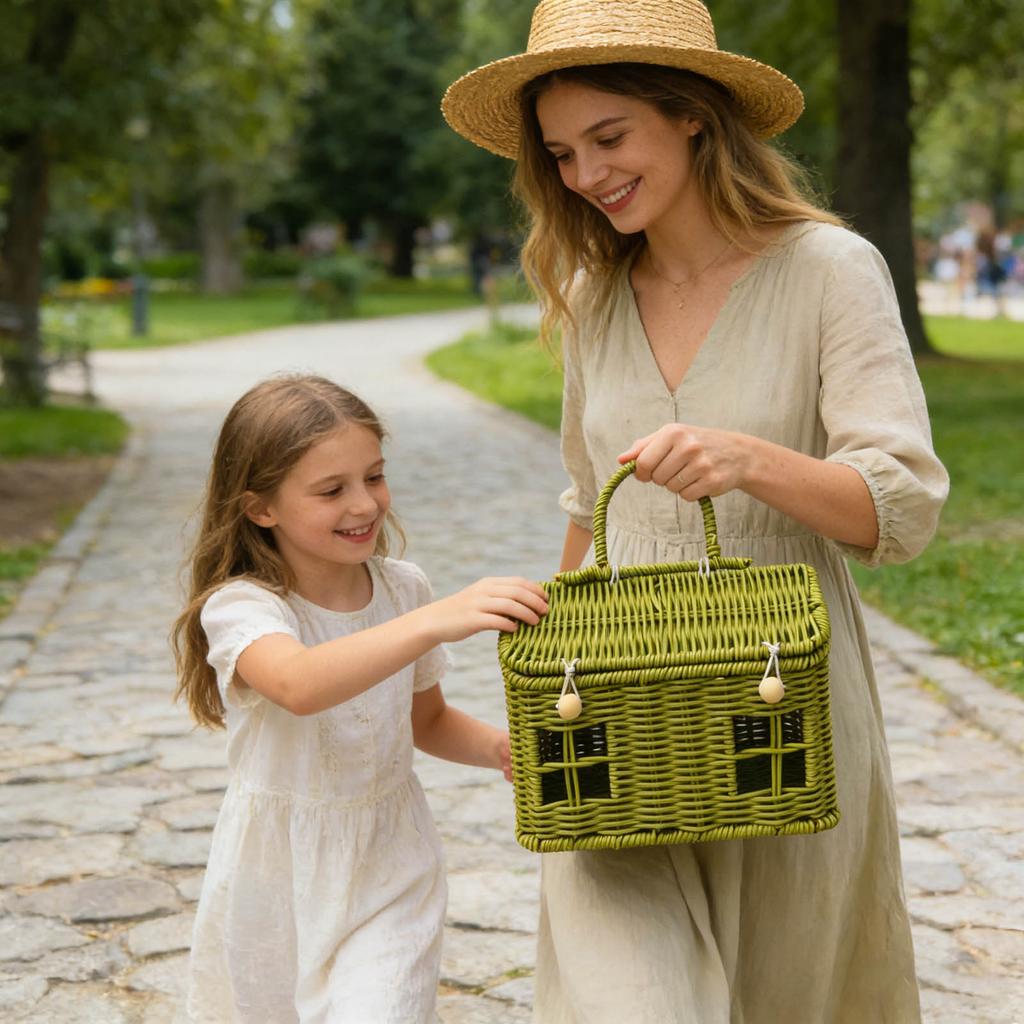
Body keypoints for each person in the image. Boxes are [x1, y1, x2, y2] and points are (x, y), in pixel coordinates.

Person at [442, 1, 949, 1021]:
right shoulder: (593, 294)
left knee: (786, 989)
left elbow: (899, 509)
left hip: (781, 704)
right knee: (627, 994)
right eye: (562, 152)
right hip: (620, 712)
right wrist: (552, 675)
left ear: (690, 115)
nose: (586, 175)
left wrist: (751, 460)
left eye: (608, 137)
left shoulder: (828, 272)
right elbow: (588, 512)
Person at [171, 374, 548, 1023]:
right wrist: (437, 620)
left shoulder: (402, 590)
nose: (365, 504)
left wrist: (497, 748)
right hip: (277, 877)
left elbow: (425, 719)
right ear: (261, 508)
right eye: (331, 490)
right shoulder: (243, 608)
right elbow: (299, 685)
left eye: (374, 477)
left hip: (390, 864)